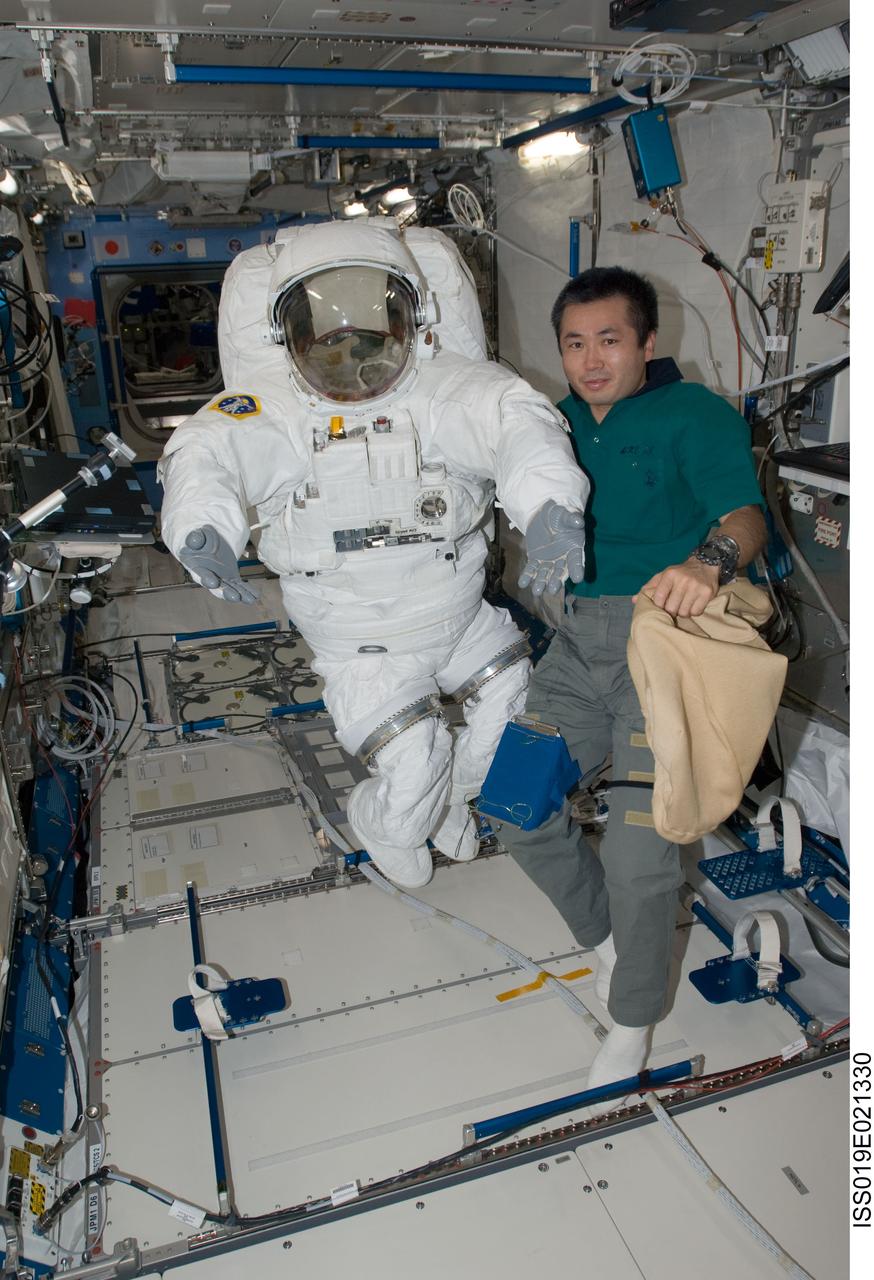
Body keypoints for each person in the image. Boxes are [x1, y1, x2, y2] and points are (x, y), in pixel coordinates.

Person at [157, 218, 589, 890]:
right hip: (363, 640)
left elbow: (517, 426)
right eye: (326, 332)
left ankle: (449, 799)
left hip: (459, 613)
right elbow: (210, 456)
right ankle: (386, 819)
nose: (349, 352)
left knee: (513, 718)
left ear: (411, 318)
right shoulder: (269, 409)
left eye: (370, 325)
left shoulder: (445, 388)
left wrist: (551, 509)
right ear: (287, 335)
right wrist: (201, 531)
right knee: (416, 756)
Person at [499, 266, 767, 1093]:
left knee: (641, 862)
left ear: (648, 343)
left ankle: (633, 1014)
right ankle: (608, 944)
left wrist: (708, 562)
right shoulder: (550, 426)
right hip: (576, 650)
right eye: (575, 343)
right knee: (514, 809)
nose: (591, 359)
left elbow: (746, 518)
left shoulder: (694, 415)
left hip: (665, 649)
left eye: (609, 340)